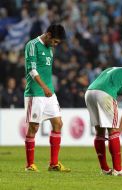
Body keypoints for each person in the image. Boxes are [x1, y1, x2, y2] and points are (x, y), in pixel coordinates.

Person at [24, 24, 70, 172]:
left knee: (58, 123)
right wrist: (44, 87)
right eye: (55, 41)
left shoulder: (50, 48)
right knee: (34, 127)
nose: (56, 45)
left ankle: (54, 164)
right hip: (35, 93)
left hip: (49, 93)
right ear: (48, 35)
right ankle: (30, 165)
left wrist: (48, 88)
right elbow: (31, 70)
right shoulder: (32, 45)